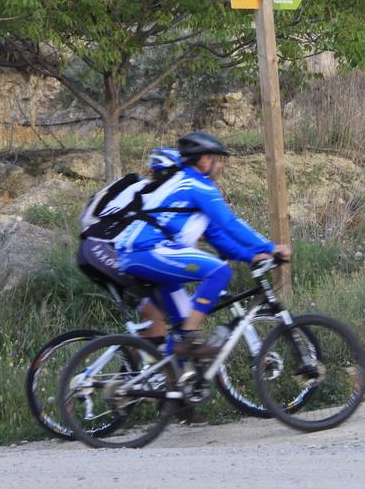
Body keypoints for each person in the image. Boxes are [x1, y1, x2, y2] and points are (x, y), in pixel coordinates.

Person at [116, 131, 291, 359]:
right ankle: (188, 337)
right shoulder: (196, 184)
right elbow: (230, 222)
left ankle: (154, 386)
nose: (221, 166)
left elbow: (217, 235)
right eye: (218, 160)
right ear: (204, 160)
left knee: (181, 324)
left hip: (145, 254)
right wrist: (270, 247)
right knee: (219, 272)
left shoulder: (188, 189)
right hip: (146, 250)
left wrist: (251, 256)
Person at [76, 147, 187, 342]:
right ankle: (146, 369)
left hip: (98, 249)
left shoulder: (143, 189)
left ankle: (135, 369)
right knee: (157, 319)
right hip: (101, 249)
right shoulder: (151, 194)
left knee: (155, 320)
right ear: (170, 173)